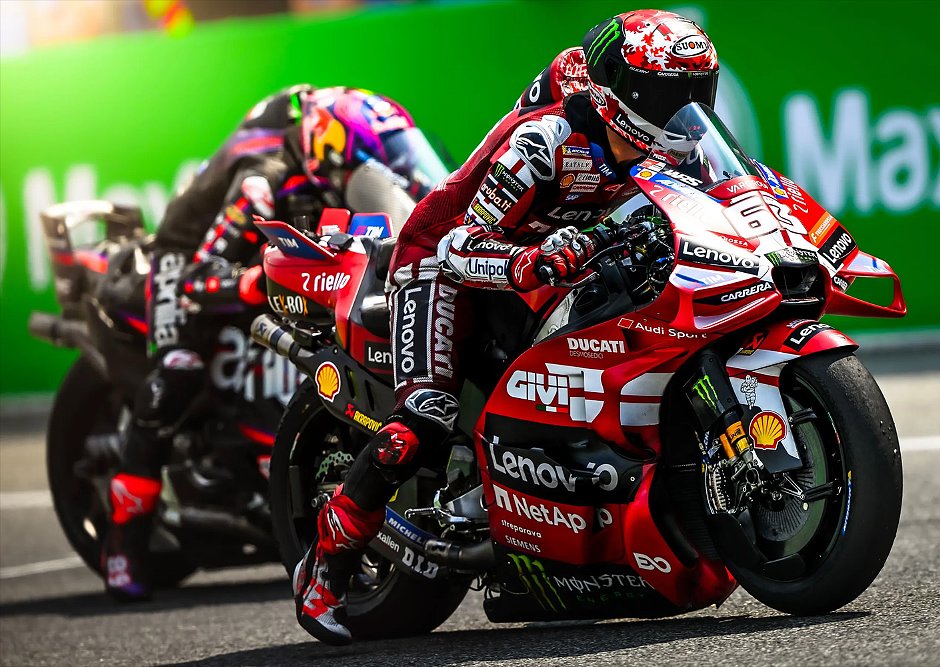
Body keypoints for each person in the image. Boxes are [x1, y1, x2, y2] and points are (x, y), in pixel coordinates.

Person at [292, 9, 721, 645]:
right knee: (425, 422)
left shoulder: (671, 147)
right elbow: (461, 245)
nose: (685, 110)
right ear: (624, 93)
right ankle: (328, 562)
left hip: (546, 265)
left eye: (697, 93)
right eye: (669, 94)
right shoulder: (544, 142)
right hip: (443, 265)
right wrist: (528, 261)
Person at [102, 85, 450, 601]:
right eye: (379, 165)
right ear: (329, 153)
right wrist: (260, 281)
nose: (391, 175)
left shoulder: (330, 166)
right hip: (184, 260)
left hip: (257, 259)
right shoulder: (260, 181)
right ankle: (123, 544)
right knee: (177, 370)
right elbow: (200, 278)